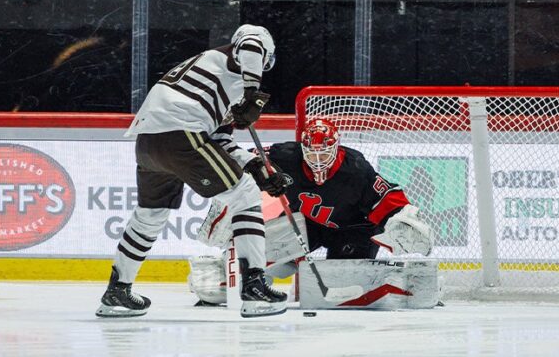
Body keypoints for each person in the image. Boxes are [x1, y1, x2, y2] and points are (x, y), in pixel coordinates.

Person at [97, 24, 290, 318]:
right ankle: (254, 286)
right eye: (266, 62)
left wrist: (255, 166)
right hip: (181, 133)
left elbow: (220, 141)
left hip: (149, 142)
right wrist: (253, 95)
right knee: (246, 196)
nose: (263, 66)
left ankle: (117, 291)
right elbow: (252, 40)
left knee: (150, 215)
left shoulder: (211, 78)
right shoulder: (233, 56)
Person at [190, 118, 433, 306]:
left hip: (352, 231)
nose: (317, 160)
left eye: (324, 153)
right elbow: (241, 165)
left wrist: (402, 219)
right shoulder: (285, 156)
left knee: (342, 287)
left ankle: (411, 284)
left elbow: (386, 197)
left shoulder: (356, 169)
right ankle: (221, 280)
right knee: (259, 256)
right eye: (312, 153)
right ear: (303, 148)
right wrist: (226, 206)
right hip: (306, 224)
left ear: (336, 148)